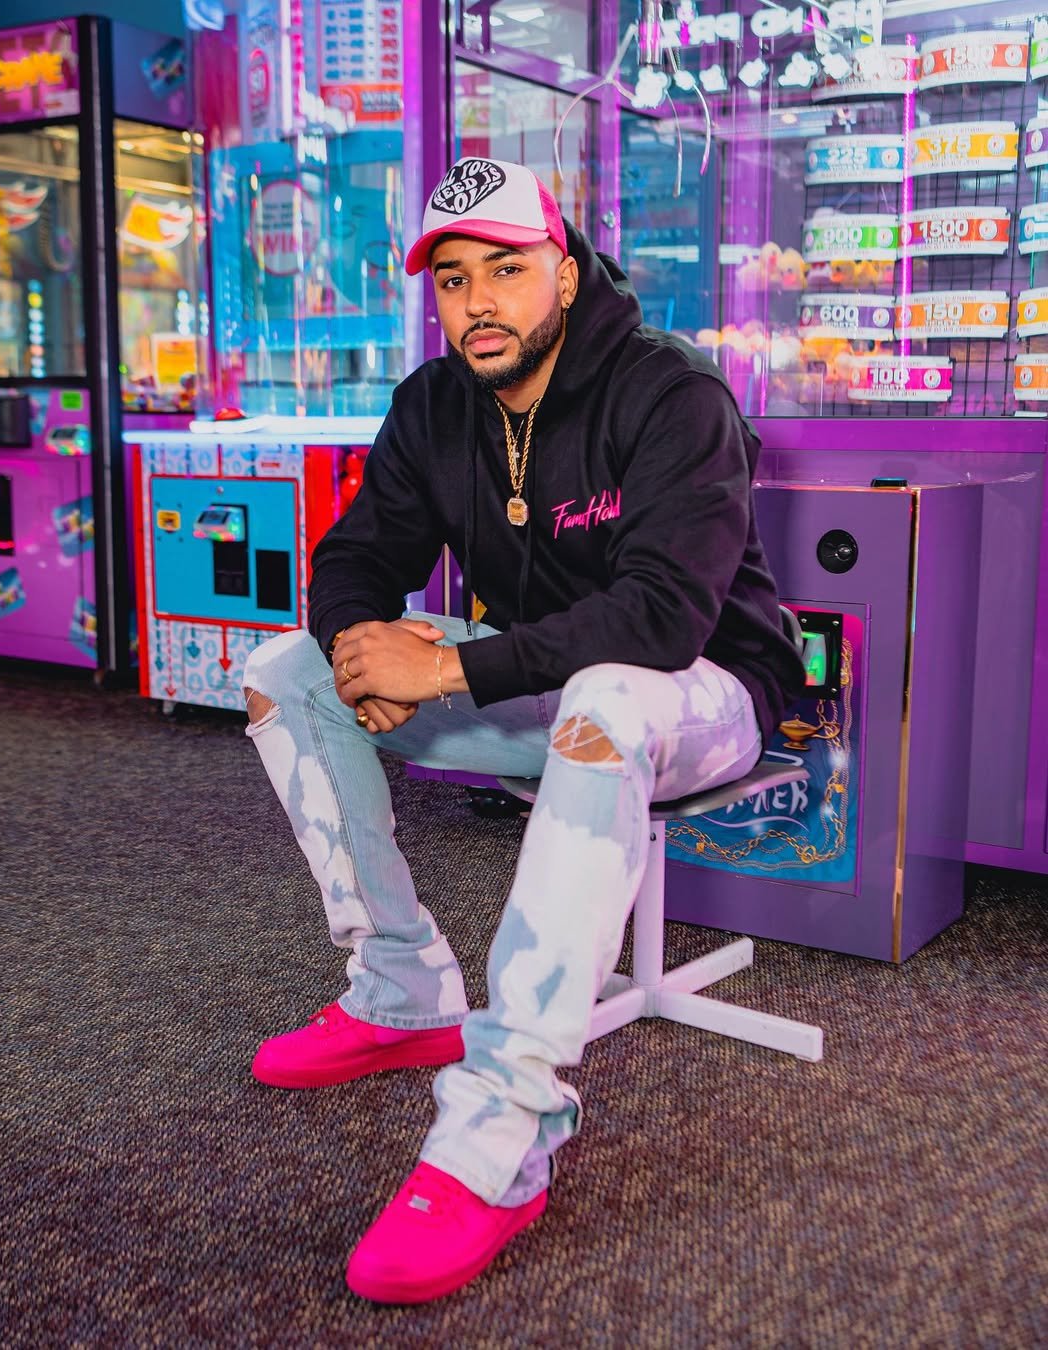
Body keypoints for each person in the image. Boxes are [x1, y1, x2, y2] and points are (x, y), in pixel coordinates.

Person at [241, 156, 804, 1304]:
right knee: (282, 671)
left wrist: (443, 661)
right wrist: (361, 652)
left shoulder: (670, 393)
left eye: (506, 268)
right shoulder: (434, 405)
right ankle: (401, 988)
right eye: (453, 280)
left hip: (700, 694)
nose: (478, 302)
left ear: (564, 265)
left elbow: (661, 617)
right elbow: (356, 557)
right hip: (537, 682)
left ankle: (504, 1133)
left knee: (603, 694)